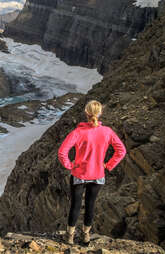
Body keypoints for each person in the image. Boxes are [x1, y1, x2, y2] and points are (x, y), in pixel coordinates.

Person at [57, 100, 126, 245]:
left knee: (75, 206)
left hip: (79, 175)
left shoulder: (77, 132)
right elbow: (121, 150)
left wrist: (70, 165)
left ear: (86, 113)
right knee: (90, 205)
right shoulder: (107, 132)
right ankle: (86, 235)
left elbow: (62, 152)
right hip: (98, 175)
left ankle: (69, 236)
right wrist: (108, 165)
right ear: (100, 113)